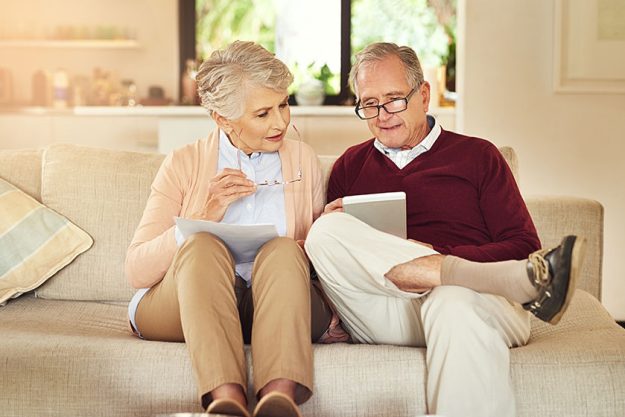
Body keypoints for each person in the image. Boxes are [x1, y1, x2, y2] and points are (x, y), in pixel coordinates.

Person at [304, 42, 585, 417]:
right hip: (386, 310)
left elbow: (522, 246)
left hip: (478, 298)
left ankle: (448, 274)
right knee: (324, 231)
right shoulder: (349, 166)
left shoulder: (479, 157)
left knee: (452, 300)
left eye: (394, 99)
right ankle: (454, 272)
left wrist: (438, 263)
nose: (382, 114)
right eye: (369, 104)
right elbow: (337, 264)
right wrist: (343, 231)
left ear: (423, 95)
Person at [125, 41, 339, 417]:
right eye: (262, 113)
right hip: (191, 301)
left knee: (284, 250)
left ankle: (279, 399)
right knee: (203, 246)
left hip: (276, 302)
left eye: (284, 105)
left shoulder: (301, 158)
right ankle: (227, 402)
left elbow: (310, 264)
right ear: (222, 119)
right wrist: (200, 217)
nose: (281, 123)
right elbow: (137, 270)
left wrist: (325, 232)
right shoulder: (183, 163)